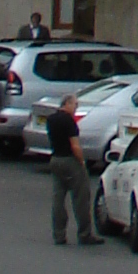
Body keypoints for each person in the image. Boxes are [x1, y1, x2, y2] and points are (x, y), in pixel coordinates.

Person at [47, 96, 99, 248]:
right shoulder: (69, 122)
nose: (76, 107)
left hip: (55, 159)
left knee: (58, 198)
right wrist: (82, 162)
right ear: (67, 103)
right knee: (81, 198)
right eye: (75, 104)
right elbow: (75, 146)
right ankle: (84, 234)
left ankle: (59, 234)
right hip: (70, 160)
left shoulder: (51, 119)